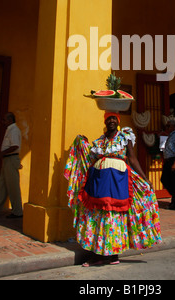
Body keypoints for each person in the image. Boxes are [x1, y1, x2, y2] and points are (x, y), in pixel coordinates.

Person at [64, 112, 162, 267]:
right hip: (99, 184)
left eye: (113, 118)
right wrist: (82, 143)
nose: (111, 121)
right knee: (98, 215)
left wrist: (144, 178)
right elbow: (90, 159)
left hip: (118, 182)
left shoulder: (124, 137)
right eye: (108, 118)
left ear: (118, 121)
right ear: (105, 121)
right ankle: (104, 255)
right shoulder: (99, 142)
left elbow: (132, 158)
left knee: (114, 216)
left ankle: (109, 255)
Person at [0, 112, 23, 218]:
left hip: (11, 159)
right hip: (7, 160)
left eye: (4, 120)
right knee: (1, 186)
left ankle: (17, 212)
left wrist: (2, 153)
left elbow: (15, 145)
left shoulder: (14, 130)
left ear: (10, 120)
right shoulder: (10, 130)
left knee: (13, 186)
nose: (3, 122)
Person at [160, 117, 175, 210]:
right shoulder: (170, 136)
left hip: (174, 160)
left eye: (168, 125)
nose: (167, 127)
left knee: (174, 182)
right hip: (168, 160)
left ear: (173, 126)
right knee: (164, 179)